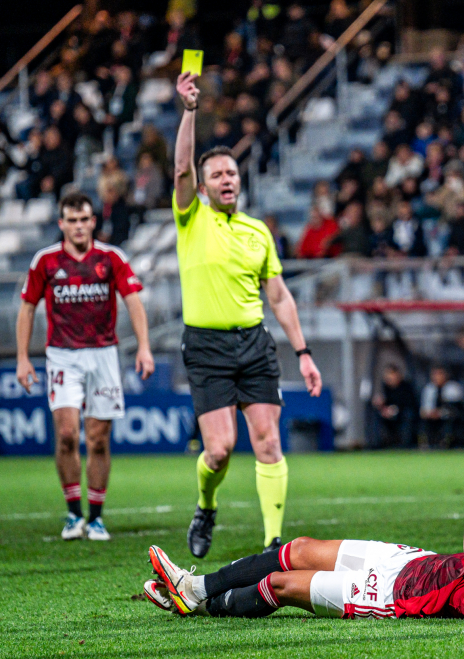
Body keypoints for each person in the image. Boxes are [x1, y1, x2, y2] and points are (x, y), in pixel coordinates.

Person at [172, 72, 323, 558]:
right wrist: (190, 111)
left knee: (267, 443)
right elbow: (179, 171)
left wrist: (303, 352)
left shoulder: (258, 231)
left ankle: (272, 543)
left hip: (254, 344)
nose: (226, 180)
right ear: (202, 185)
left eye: (232, 174)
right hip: (207, 346)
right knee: (218, 450)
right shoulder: (191, 217)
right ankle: (205, 505)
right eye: (216, 175)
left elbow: (279, 296)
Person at [145, 495, 464, 620]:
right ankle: (195, 589)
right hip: (406, 561)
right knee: (296, 548)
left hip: (387, 595)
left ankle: (201, 603)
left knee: (281, 585)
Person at [15, 192, 154, 541]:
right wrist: (21, 357)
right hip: (62, 355)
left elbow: (134, 302)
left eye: (84, 219)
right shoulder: (45, 261)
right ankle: (73, 512)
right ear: (61, 223)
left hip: (104, 354)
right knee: (65, 435)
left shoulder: (111, 258)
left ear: (93, 222)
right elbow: (28, 307)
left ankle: (96, 517)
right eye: (71, 220)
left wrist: (145, 348)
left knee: (98, 440)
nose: (78, 226)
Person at [370, 364, 418, 449]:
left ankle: (405, 445)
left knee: (408, 415)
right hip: (388, 415)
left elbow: (410, 404)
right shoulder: (385, 387)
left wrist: (394, 410)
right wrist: (382, 407)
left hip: (402, 414)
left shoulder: (406, 387)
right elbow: (383, 401)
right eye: (387, 374)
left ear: (398, 375)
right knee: (375, 415)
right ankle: (376, 444)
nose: (389, 377)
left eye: (392, 374)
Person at [419, 365, 464, 448]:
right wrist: (428, 413)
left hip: (448, 418)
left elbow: (456, 409)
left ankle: (447, 442)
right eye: (435, 374)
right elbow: (424, 409)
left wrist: (440, 413)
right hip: (432, 419)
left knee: (451, 421)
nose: (437, 377)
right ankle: (426, 443)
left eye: (440, 374)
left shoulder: (453, 388)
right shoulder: (428, 389)